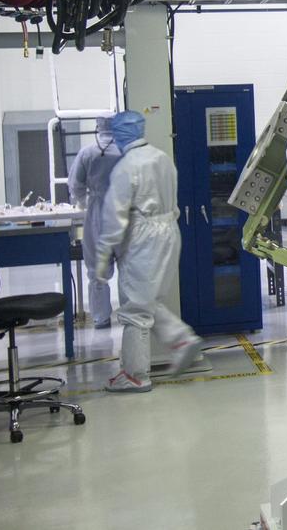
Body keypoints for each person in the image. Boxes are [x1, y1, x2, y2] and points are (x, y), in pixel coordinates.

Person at [95, 110, 201, 393]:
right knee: (148, 298)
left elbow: (114, 219)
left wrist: (101, 259)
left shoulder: (126, 167)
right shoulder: (162, 157)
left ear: (119, 135)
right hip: (170, 231)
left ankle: (134, 375)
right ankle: (180, 339)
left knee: (135, 308)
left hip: (143, 238)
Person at [67, 117, 121, 329]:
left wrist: (85, 202)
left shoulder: (87, 153)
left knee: (97, 270)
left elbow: (75, 184)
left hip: (98, 213)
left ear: (97, 128)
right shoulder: (126, 150)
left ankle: (101, 318)